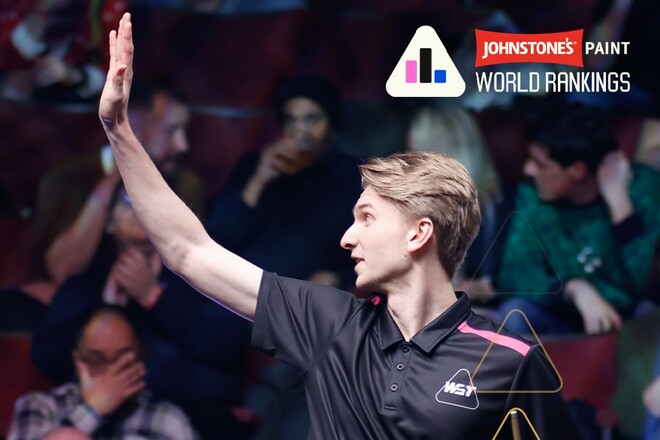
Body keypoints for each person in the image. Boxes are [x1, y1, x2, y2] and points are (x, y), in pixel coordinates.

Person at [98, 13, 582, 438]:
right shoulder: (329, 322)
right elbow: (188, 251)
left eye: (366, 218)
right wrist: (119, 131)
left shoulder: (508, 360)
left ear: (418, 234)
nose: (347, 237)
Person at [31, 186, 250, 440]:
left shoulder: (197, 275)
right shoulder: (88, 283)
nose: (138, 208)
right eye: (127, 202)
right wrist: (104, 310)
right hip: (99, 421)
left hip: (189, 420)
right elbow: (46, 358)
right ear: (110, 222)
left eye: (147, 200)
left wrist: (153, 296)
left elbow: (226, 346)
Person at [496, 103, 660, 335]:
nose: (528, 170)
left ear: (577, 171)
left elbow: (648, 286)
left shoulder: (643, 188)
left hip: (631, 322)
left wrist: (620, 206)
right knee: (514, 313)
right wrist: (574, 288)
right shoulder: (532, 197)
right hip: (566, 321)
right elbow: (514, 277)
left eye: (540, 164)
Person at [28, 86, 204, 289]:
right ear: (132, 125)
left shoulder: (186, 185)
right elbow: (60, 271)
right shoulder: (68, 178)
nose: (182, 145)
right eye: (171, 131)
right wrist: (116, 177)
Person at [206, 73, 361, 290]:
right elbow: (220, 237)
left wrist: (339, 278)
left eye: (312, 120)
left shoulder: (353, 177)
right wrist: (259, 180)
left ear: (333, 125)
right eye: (291, 120)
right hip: (239, 291)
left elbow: (375, 251)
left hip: (303, 301)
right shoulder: (254, 165)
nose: (300, 131)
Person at [8, 305, 196, 440]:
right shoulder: (40, 407)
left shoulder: (167, 418)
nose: (110, 372)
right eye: (98, 361)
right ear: (78, 359)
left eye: (123, 360)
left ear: (140, 357)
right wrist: (91, 411)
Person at [406, 104, 508, 306]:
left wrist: (480, 288)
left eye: (414, 154)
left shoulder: (502, 204)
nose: (406, 163)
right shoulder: (409, 207)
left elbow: (521, 279)